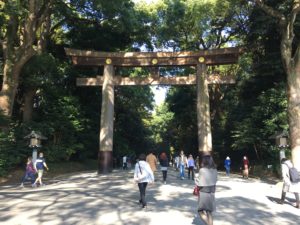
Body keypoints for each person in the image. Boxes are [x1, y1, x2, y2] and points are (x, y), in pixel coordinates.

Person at [195, 152, 218, 225]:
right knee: (209, 212)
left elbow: (199, 183)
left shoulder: (202, 170)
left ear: (204, 161)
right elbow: (216, 180)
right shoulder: (215, 170)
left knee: (200, 211)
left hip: (204, 192)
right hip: (212, 191)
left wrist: (196, 178)